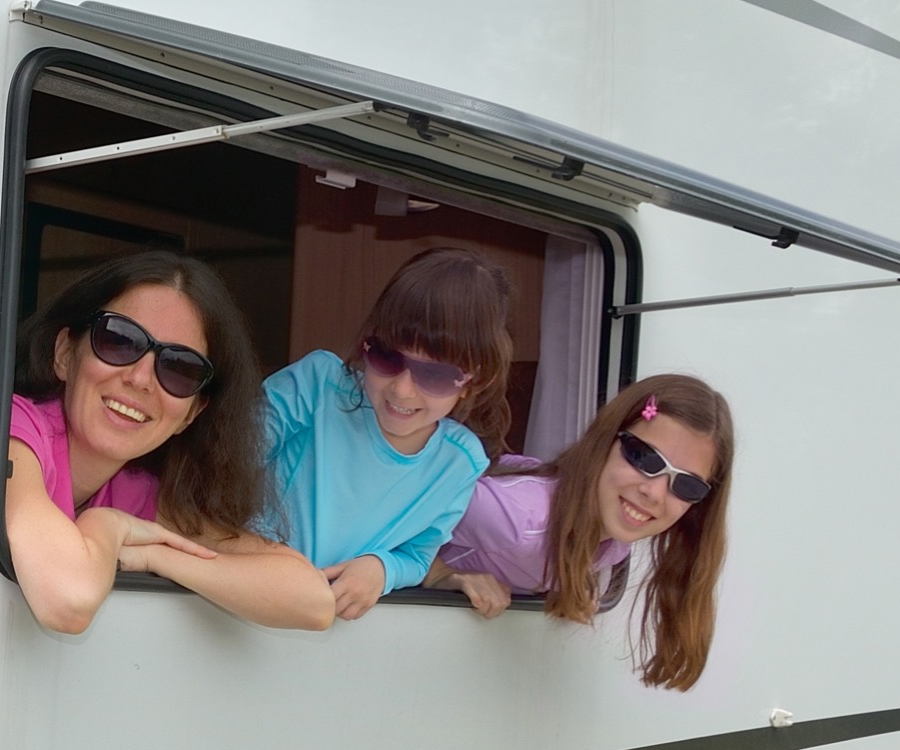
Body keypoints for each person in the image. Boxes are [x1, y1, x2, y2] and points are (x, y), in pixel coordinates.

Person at [4, 253, 333, 634]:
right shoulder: (16, 434)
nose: (141, 378)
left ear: (192, 413)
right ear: (64, 354)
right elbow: (67, 600)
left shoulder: (137, 494)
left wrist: (156, 557)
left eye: (179, 368)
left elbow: (313, 600)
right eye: (119, 340)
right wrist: (106, 528)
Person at [428, 375, 733, 690]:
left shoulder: (615, 543)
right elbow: (391, 508)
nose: (655, 493)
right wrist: (442, 574)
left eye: (687, 485)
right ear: (605, 441)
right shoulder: (517, 519)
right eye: (644, 457)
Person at [259, 245, 513, 620]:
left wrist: (382, 569)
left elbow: (417, 554)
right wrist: (264, 556)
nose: (402, 390)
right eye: (387, 357)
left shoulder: (460, 462)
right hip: (244, 590)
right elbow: (218, 469)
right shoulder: (316, 386)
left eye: (435, 374)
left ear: (477, 379)